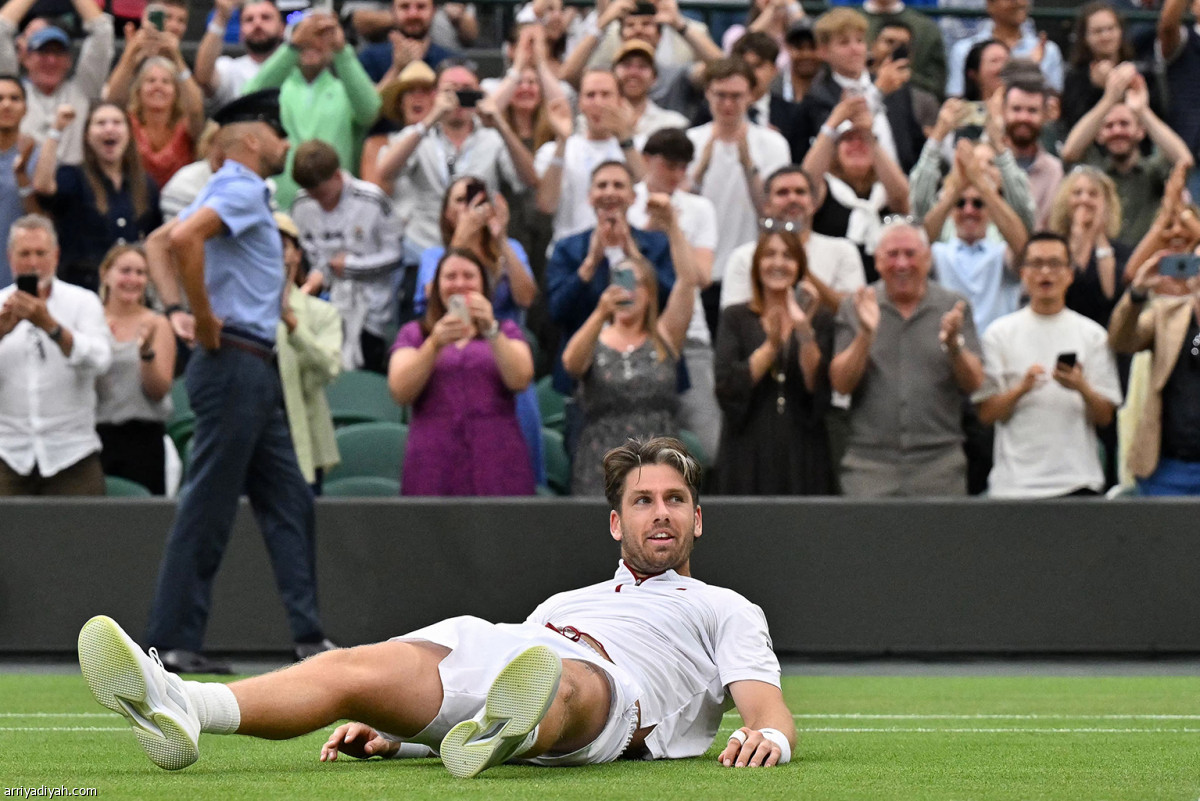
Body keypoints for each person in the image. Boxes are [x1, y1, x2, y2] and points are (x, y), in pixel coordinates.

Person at [77, 436, 795, 777]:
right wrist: (408, 735)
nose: (660, 513)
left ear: (699, 518)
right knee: (353, 670)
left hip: (614, 690)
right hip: (498, 641)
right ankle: (183, 706)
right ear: (616, 523)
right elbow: (499, 665)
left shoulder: (725, 606)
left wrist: (773, 737)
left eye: (675, 501)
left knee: (564, 680)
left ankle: (505, 732)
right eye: (643, 501)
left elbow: (766, 708)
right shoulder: (565, 597)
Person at [141, 90, 334, 674]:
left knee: (291, 501)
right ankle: (171, 641)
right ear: (253, 140)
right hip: (235, 363)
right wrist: (196, 316)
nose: (286, 144)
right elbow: (177, 241)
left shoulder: (223, 186)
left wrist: (179, 306)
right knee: (209, 504)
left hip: (253, 367)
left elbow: (156, 241)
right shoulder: (243, 185)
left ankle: (309, 639)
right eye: (279, 134)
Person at [830, 221, 984, 496]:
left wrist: (954, 347)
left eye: (910, 254)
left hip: (939, 463)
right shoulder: (856, 305)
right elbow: (841, 384)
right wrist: (865, 335)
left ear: (927, 259)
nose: (902, 264)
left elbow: (974, 383)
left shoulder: (953, 306)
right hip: (869, 464)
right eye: (892, 255)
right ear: (877, 261)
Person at [412, 175, 544, 484]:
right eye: (461, 200)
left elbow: (527, 296)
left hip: (504, 362)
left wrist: (500, 240)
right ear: (446, 212)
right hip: (451, 368)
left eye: (479, 200)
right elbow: (435, 297)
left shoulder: (509, 248)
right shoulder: (434, 255)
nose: (471, 207)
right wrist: (461, 238)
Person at [562, 198, 697, 495]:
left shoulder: (664, 335)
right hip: (602, 462)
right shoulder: (595, 335)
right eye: (620, 281)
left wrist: (672, 226)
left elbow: (688, 281)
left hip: (660, 459)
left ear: (650, 293)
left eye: (636, 283)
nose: (628, 291)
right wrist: (600, 313)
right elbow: (571, 363)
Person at [975, 232, 1121, 497]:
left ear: (1069, 273)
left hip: (1077, 481)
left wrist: (1081, 387)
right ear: (1023, 273)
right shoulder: (998, 334)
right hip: (1014, 486)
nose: (1045, 272)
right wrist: (1021, 389)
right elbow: (986, 415)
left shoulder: (1092, 335)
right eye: (1036, 264)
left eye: (1055, 264)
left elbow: (1105, 417)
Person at [388, 248, 536, 496]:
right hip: (432, 458)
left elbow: (520, 378)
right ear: (436, 286)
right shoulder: (415, 334)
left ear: (483, 284)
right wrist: (434, 344)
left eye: (469, 276)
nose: (459, 284)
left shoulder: (506, 331)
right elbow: (400, 391)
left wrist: (490, 329)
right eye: (450, 276)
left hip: (497, 455)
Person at [545, 160, 681, 395]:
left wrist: (635, 256)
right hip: (586, 375)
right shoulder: (568, 248)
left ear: (633, 197)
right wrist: (589, 264)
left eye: (618, 185)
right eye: (602, 185)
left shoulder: (656, 244)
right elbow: (556, 311)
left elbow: (671, 304)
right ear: (590, 196)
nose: (609, 192)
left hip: (651, 369)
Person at [714, 228, 832, 495]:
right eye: (769, 255)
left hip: (803, 450)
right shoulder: (736, 317)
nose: (778, 263)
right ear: (757, 266)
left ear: (799, 266)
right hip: (746, 449)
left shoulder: (819, 319)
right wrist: (771, 346)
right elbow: (727, 387)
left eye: (788, 256)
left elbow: (818, 387)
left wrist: (803, 332)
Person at [0, 214, 111, 495]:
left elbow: (101, 360)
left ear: (56, 255)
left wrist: (51, 327)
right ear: (10, 257)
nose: (33, 263)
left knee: (80, 537)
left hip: (72, 452)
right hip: (7, 451)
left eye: (41, 253)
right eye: (25, 253)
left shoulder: (83, 302)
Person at [628, 128, 721, 462]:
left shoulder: (699, 208)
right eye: (670, 165)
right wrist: (652, 228)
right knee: (637, 449)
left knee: (706, 447)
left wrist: (673, 227)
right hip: (634, 334)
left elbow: (701, 277)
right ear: (647, 160)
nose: (678, 175)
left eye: (684, 167)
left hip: (689, 335)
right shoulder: (625, 201)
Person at [375, 61, 535, 255]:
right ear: (435, 95)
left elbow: (530, 180)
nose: (458, 98)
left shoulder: (492, 138)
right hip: (423, 247)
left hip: (478, 250)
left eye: (466, 91)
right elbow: (384, 172)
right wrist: (430, 119)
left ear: (479, 95)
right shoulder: (417, 135)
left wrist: (501, 124)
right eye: (450, 91)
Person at [242, 10, 382, 210]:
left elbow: (369, 111)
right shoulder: (276, 88)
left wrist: (342, 51)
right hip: (280, 210)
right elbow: (248, 98)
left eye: (322, 37)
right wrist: (292, 47)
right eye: (304, 35)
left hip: (337, 210)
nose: (312, 42)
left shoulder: (345, 89)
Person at [686, 59, 790, 326]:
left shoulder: (773, 144)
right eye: (720, 95)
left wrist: (748, 167)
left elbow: (770, 214)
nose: (728, 105)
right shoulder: (690, 142)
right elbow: (682, 212)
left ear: (751, 96)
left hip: (750, 271)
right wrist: (699, 171)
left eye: (736, 96)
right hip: (702, 271)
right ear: (708, 94)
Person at [290, 139, 403, 374]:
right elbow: (312, 256)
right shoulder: (301, 205)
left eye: (322, 193)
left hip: (371, 312)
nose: (318, 200)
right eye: (312, 194)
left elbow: (395, 255)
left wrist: (351, 266)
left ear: (337, 176)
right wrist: (318, 278)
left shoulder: (373, 200)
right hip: (325, 310)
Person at [31, 102, 161, 292]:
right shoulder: (73, 176)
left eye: (117, 122)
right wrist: (56, 129)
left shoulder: (144, 184)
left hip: (129, 292)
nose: (109, 128)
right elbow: (42, 185)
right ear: (87, 135)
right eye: (100, 123)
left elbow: (155, 238)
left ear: (129, 134)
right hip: (82, 288)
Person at [1059, 63, 1193, 247]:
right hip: (1102, 263)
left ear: (1140, 131)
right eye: (1109, 126)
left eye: (1124, 124)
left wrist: (1142, 111)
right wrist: (1108, 100)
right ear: (1099, 135)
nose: (1117, 131)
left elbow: (1184, 161)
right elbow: (1069, 152)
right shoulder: (1094, 173)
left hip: (1146, 262)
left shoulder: (1154, 171)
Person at [1109, 249, 1200, 495]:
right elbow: (1121, 341)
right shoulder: (1166, 315)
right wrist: (1138, 292)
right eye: (1197, 263)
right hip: (1168, 468)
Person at [795, 8, 925, 174]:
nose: (855, 49)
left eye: (859, 40)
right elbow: (840, 141)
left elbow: (915, 143)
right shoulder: (817, 97)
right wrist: (878, 92)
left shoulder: (894, 87)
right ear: (823, 51)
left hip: (901, 184)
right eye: (844, 43)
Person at [720, 165, 866, 312]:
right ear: (766, 206)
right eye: (782, 193)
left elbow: (853, 312)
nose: (792, 198)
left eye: (800, 192)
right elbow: (735, 318)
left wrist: (802, 269)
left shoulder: (843, 250)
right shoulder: (744, 256)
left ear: (814, 203)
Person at [801, 93, 910, 282]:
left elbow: (902, 196)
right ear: (835, 151)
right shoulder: (826, 187)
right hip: (831, 284)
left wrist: (869, 133)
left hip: (882, 287)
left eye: (862, 140)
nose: (857, 145)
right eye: (848, 139)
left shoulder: (884, 191)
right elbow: (804, 184)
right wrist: (832, 124)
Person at [923, 138, 1027, 335]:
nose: (969, 210)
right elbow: (920, 240)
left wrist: (980, 182)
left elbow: (1022, 246)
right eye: (961, 204)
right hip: (949, 349)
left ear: (989, 211)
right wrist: (956, 189)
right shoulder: (938, 253)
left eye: (978, 204)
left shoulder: (1001, 254)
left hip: (996, 351)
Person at [94, 243, 173, 495]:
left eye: (140, 273)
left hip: (143, 437)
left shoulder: (158, 324)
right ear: (106, 274)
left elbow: (159, 390)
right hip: (96, 436)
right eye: (125, 271)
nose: (133, 279)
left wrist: (145, 354)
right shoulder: (89, 319)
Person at [535, 68, 645, 244]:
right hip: (571, 250)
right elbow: (547, 204)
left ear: (620, 101)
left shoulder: (639, 146)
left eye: (606, 94)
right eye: (590, 95)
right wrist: (562, 142)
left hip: (628, 246)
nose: (598, 102)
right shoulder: (553, 150)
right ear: (580, 103)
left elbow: (646, 185)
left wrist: (625, 136)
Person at [274, 212, 342, 494]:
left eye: (282, 245)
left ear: (296, 255)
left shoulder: (321, 313)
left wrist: (294, 327)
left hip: (303, 445)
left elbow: (330, 368)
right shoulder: (233, 312)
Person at [0, 0, 114, 165]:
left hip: (74, 182)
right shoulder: (13, 93)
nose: (51, 60)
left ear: (69, 61)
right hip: (23, 181)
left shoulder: (83, 89)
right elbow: (1, 28)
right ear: (26, 59)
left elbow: (102, 32)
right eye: (43, 52)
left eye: (58, 53)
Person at [1045, 165, 1128, 329]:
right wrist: (1078, 235)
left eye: (1093, 194)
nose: (1084, 199)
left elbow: (1110, 293)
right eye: (1077, 193)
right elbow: (1065, 290)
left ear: (1106, 202)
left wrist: (1097, 234)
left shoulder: (1120, 251)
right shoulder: (1052, 248)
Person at [114, 55, 207, 190]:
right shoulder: (128, 123)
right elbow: (112, 101)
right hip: (136, 199)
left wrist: (177, 57)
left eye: (166, 82)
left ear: (176, 91)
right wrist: (132, 53)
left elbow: (196, 109)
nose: (158, 86)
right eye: (151, 81)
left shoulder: (188, 125)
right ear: (139, 89)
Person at [945, 0, 1063, 98]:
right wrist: (1029, 64)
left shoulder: (1049, 51)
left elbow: (1053, 102)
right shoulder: (965, 50)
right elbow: (957, 100)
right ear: (990, 5)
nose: (1019, 2)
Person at [194, 0, 287, 111]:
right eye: (249, 19)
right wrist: (221, 17)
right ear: (241, 33)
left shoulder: (298, 68)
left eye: (266, 17)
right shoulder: (230, 68)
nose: (257, 23)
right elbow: (203, 77)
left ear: (282, 28)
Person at [362, 59, 436, 188]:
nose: (417, 97)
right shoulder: (377, 144)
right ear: (400, 103)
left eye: (425, 91)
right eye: (410, 91)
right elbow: (377, 196)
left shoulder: (447, 142)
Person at [1001, 79, 1062, 230]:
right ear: (1003, 112)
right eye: (1016, 109)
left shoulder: (1054, 170)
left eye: (1032, 111)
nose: (1024, 117)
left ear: (1044, 115)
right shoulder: (986, 162)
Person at [358, 0, 459, 86]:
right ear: (392, 11)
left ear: (434, 11)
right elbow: (366, 107)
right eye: (404, 7)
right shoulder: (369, 58)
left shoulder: (452, 61)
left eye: (421, 7)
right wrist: (397, 68)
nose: (413, 14)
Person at [861, 0, 945, 101]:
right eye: (889, 42)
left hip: (914, 104)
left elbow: (937, 87)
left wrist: (908, 77)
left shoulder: (926, 29)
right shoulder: (847, 22)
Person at [0, 73, 39, 287]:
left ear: (26, 108)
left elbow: (44, 222)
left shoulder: (39, 156)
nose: (6, 105)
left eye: (15, 98)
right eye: (0, 98)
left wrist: (22, 176)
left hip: (19, 278)